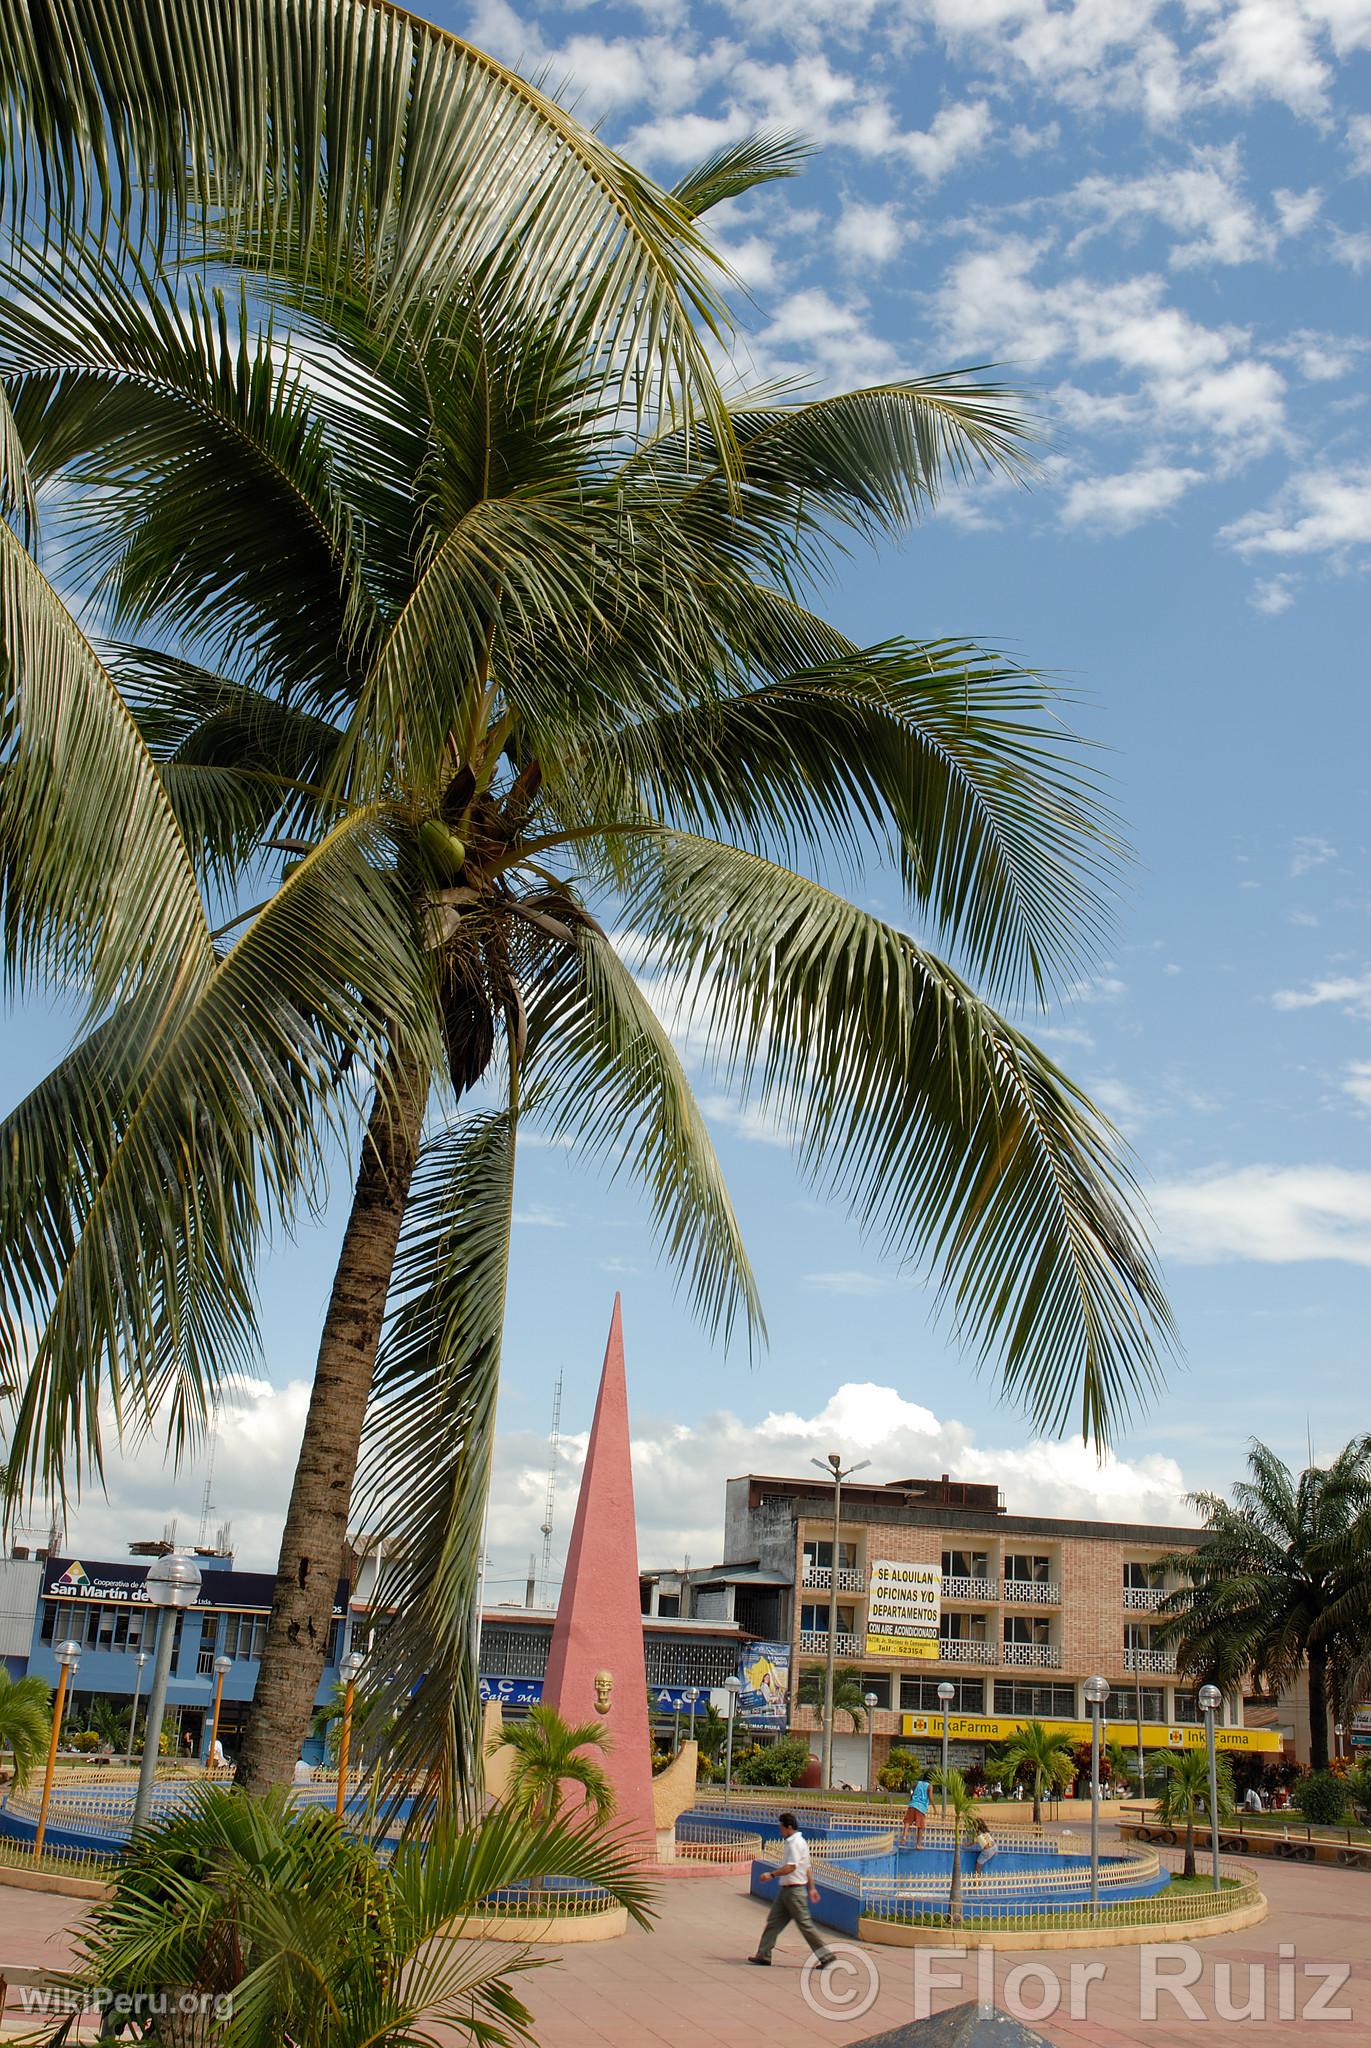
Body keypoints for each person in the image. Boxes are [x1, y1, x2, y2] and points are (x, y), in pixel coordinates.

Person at [748, 1813, 832, 1969]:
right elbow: (807, 1867)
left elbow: (791, 1866)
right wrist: (812, 1888)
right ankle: (763, 1955)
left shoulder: (794, 1844)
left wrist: (771, 1874)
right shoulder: (799, 1842)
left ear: (789, 1827)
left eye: (781, 1826)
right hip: (787, 1890)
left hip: (794, 1891)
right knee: (773, 1922)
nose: (779, 1829)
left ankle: (826, 1956)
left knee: (805, 1925)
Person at [901, 1771, 931, 1847]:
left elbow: (911, 1790)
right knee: (920, 1826)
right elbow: (930, 1797)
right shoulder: (929, 1786)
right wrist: (934, 1807)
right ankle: (918, 1844)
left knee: (907, 1822)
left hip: (912, 1804)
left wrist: (911, 1797)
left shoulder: (917, 1783)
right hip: (921, 1807)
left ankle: (904, 1836)